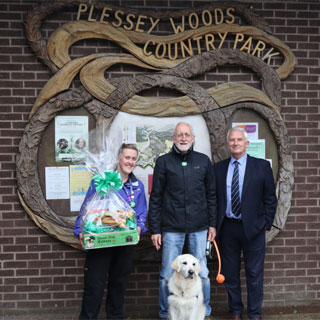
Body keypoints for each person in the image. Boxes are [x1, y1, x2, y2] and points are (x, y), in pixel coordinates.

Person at [148, 122, 217, 320]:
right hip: (171, 227)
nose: (184, 138)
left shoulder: (203, 161)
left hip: (199, 227)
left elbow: (211, 195)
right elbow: (156, 197)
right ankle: (165, 314)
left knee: (202, 274)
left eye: (187, 134)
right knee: (167, 274)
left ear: (193, 138)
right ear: (173, 138)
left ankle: (204, 313)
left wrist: (212, 224)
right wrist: (155, 229)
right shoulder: (163, 162)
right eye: (180, 135)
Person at [74, 143, 147, 320]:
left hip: (124, 242)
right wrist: (80, 230)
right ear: (118, 159)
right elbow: (86, 208)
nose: (130, 162)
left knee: (118, 286)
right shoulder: (101, 181)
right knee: (94, 286)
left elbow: (142, 214)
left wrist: (140, 227)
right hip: (101, 241)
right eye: (127, 157)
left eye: (133, 158)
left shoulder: (137, 186)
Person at [213, 127, 277, 320]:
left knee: (254, 273)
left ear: (246, 143)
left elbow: (270, 199)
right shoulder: (218, 168)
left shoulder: (262, 166)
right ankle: (235, 311)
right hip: (228, 228)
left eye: (239, 139)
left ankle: (255, 313)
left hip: (253, 228)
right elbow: (214, 200)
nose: (235, 143)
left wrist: (265, 223)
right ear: (227, 144)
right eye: (232, 140)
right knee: (230, 274)